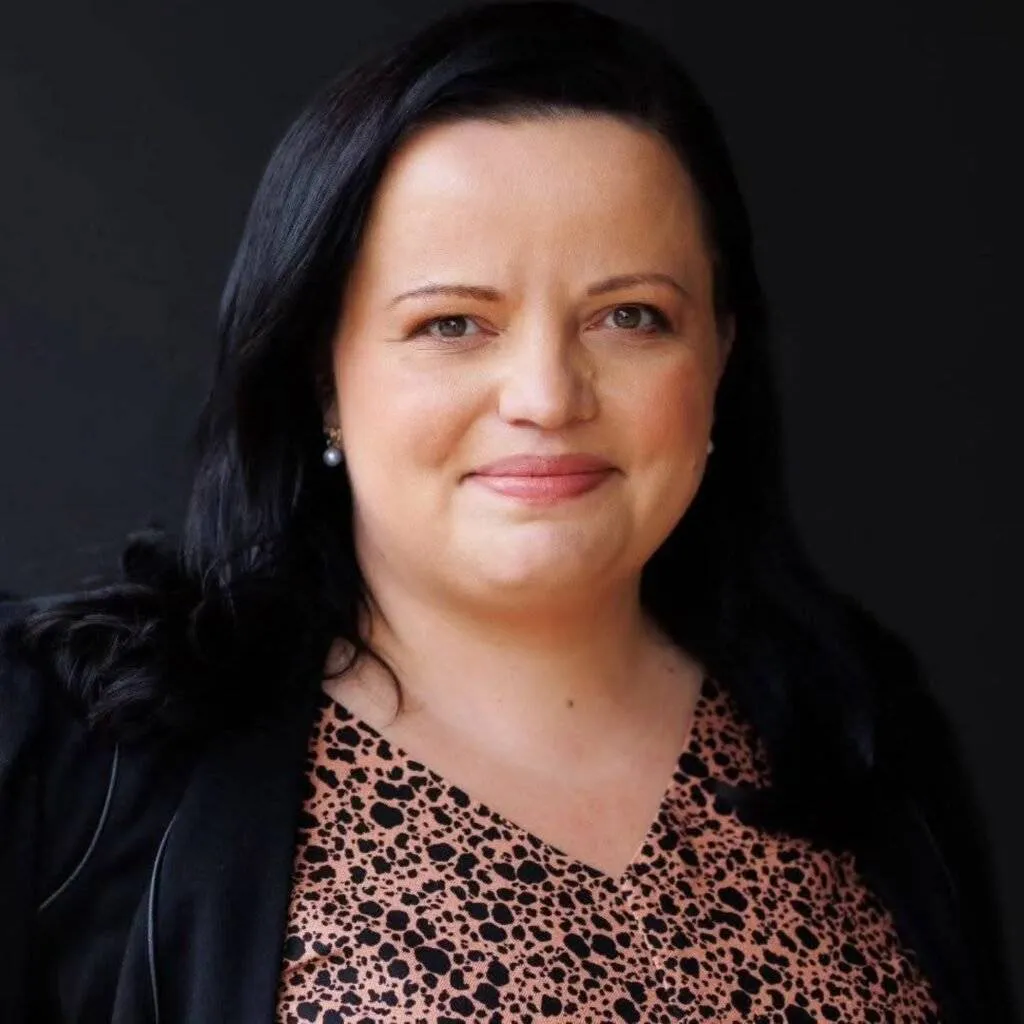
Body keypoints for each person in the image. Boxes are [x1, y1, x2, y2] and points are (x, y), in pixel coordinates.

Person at [0, 1, 1016, 1021]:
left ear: (719, 354)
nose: (546, 394)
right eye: (451, 323)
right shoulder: (81, 762)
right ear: (322, 377)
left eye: (630, 317)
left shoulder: (855, 725)